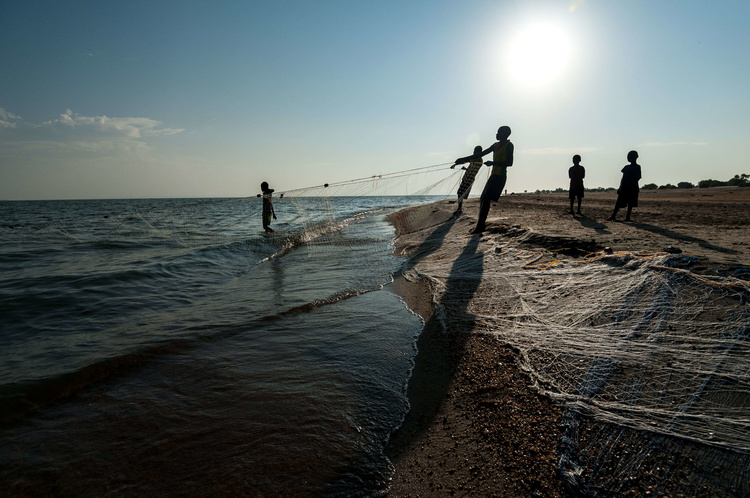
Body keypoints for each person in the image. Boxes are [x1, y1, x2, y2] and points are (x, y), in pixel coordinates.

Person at [454, 126, 514, 234]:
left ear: (505, 134)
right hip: (493, 175)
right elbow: (480, 154)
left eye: (498, 132)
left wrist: (493, 163)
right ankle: (480, 225)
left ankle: (480, 226)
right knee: (483, 199)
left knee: (485, 199)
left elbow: (509, 163)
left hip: (500, 176)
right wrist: (463, 160)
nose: (496, 134)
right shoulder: (495, 145)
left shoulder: (509, 145)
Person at [608, 151, 642, 222]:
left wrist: (632, 186)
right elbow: (623, 178)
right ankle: (613, 216)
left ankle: (627, 217)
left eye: (630, 157)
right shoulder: (626, 167)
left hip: (632, 188)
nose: (629, 158)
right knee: (618, 203)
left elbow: (637, 178)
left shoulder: (637, 167)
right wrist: (620, 187)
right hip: (624, 187)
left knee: (630, 203)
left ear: (636, 157)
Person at [450, 145, 484, 215]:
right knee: (460, 193)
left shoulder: (479, 159)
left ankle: (459, 209)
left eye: (475, 151)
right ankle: (459, 209)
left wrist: (456, 164)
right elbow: (468, 164)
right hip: (466, 178)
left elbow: (468, 162)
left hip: (469, 179)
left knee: (460, 193)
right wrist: (456, 165)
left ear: (479, 152)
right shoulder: (474, 159)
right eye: (474, 151)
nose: (474, 152)